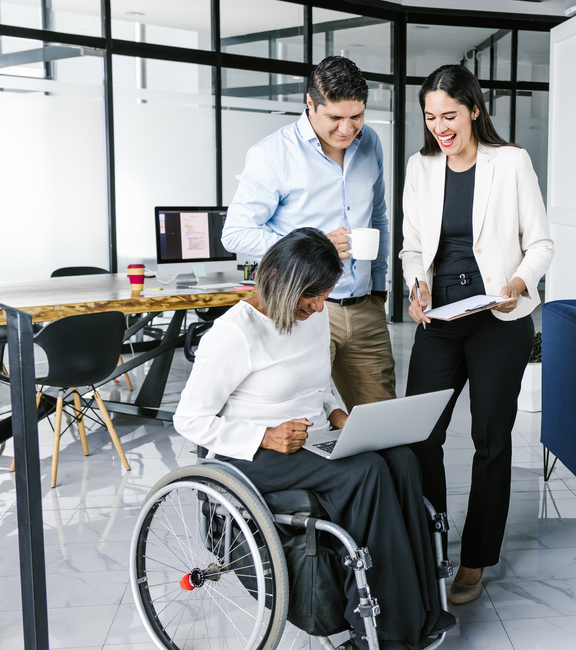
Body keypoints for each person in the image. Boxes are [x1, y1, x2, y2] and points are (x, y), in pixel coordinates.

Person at [173, 228, 453, 650]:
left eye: (325, 294)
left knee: (403, 459)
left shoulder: (315, 315)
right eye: (311, 296)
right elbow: (189, 419)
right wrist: (265, 436)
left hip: (312, 439)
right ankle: (386, 630)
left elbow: (315, 387)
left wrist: (339, 413)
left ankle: (421, 611)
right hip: (251, 456)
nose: (320, 306)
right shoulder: (235, 334)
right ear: (281, 282)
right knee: (368, 472)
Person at [400, 64, 554, 605]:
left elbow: (541, 244)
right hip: (440, 317)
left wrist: (515, 282)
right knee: (420, 435)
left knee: (490, 441)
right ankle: (430, 539)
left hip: (498, 317)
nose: (440, 127)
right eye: (430, 117)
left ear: (474, 110)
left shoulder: (510, 163)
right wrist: (418, 287)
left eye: (449, 115)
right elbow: (412, 248)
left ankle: (475, 559)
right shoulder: (420, 168)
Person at [221, 56, 394, 412]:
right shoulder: (273, 154)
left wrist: (379, 286)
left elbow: (377, 216)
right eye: (335, 118)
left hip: (364, 307)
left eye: (356, 117)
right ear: (310, 104)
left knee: (380, 420)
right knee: (302, 418)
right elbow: (235, 234)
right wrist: (314, 246)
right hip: (301, 308)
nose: (347, 129)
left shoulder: (371, 142)